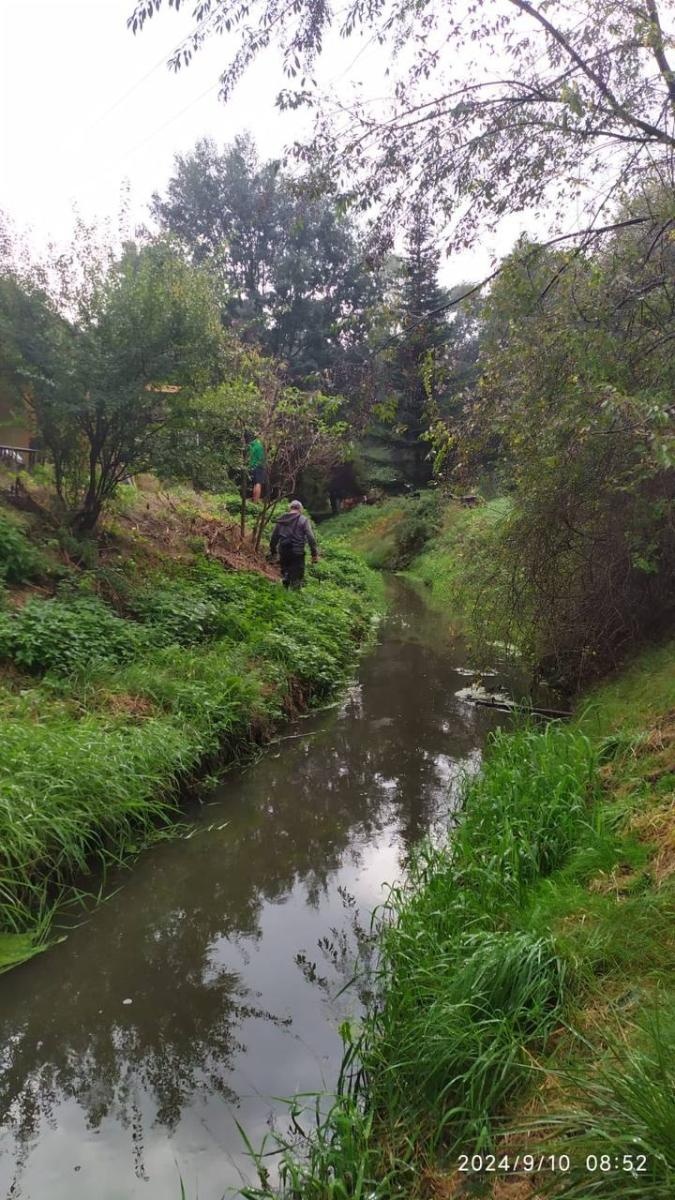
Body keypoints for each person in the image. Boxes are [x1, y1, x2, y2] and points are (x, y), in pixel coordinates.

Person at [269, 499, 318, 588]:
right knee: (297, 576)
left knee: (285, 572)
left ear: (290, 508)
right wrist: (314, 554)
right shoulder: (303, 520)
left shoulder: (282, 519)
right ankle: (295, 595)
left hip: (283, 551)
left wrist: (274, 552)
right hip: (297, 552)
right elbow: (311, 537)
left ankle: (285, 588)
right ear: (300, 509)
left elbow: (274, 537)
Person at [248, 435, 267, 502]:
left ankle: (254, 499)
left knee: (255, 483)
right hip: (259, 466)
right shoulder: (259, 446)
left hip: (252, 466)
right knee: (258, 483)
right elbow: (261, 458)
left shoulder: (251, 446)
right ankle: (256, 501)